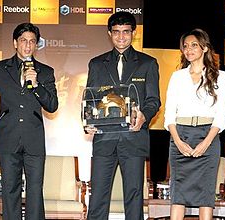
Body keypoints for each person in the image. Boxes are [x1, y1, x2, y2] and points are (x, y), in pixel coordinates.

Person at [85, 11, 161, 220]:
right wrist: (88, 122)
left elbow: (154, 101)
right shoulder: (96, 63)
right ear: (109, 33)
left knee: (134, 197)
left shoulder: (148, 63)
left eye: (126, 32)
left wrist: (144, 116)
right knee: (98, 196)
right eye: (116, 32)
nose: (121, 37)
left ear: (133, 33)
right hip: (104, 138)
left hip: (133, 137)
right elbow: (91, 100)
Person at [0, 23, 58, 220]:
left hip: (34, 139)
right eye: (23, 41)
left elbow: (52, 105)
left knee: (35, 191)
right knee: (9, 190)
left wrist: (36, 85)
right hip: (7, 137)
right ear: (15, 43)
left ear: (37, 45)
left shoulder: (45, 71)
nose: (27, 46)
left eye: (32, 42)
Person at [164, 28, 225, 220]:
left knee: (205, 194)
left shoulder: (220, 76)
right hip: (180, 136)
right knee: (178, 193)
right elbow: (169, 115)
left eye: (194, 45)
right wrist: (178, 141)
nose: (189, 49)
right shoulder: (177, 77)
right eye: (185, 46)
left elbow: (220, 116)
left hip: (208, 136)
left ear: (205, 47)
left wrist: (206, 142)